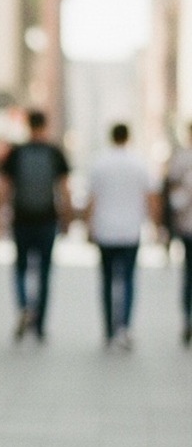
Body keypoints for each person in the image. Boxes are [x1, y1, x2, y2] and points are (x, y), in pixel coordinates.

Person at [0, 109, 71, 342]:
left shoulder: (16, 153)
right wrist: (66, 218)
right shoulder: (55, 153)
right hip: (47, 220)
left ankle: (24, 306)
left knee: (21, 268)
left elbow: (2, 188)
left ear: (28, 126)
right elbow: (64, 189)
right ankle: (40, 324)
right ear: (45, 126)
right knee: (45, 272)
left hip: (22, 220)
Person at [85, 123, 158, 349]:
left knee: (106, 280)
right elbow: (151, 197)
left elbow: (92, 199)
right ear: (128, 138)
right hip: (130, 230)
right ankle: (124, 326)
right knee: (127, 279)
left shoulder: (99, 163)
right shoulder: (139, 164)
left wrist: (89, 225)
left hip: (105, 230)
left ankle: (108, 330)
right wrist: (155, 224)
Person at [166, 121, 192, 346]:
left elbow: (171, 190)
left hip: (187, 225)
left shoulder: (182, 157)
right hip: (187, 225)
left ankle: (187, 317)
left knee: (189, 273)